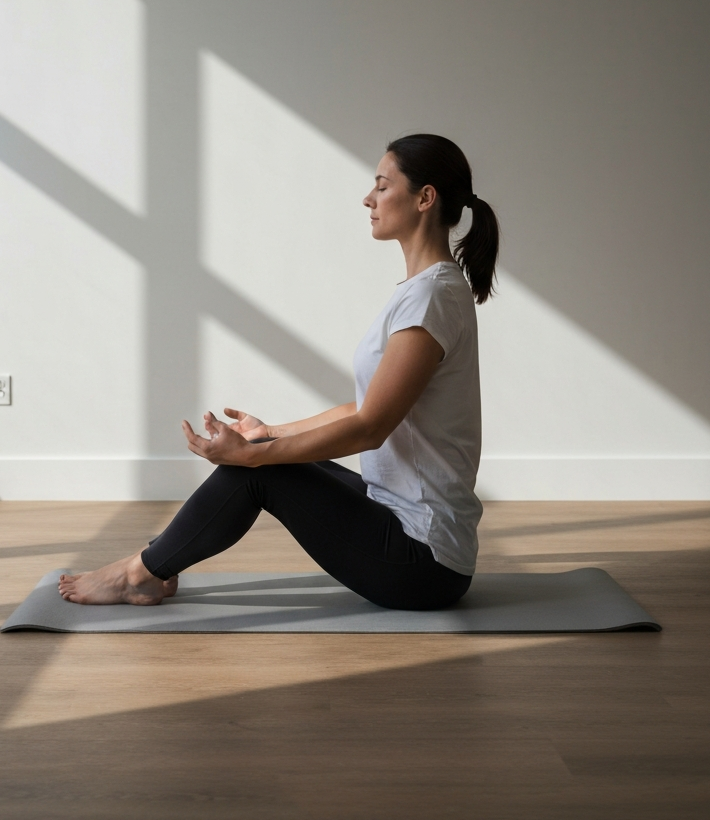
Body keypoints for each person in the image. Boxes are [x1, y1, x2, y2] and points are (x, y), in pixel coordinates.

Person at [58, 133, 500, 610]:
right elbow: (365, 407)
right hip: (412, 530)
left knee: (257, 472)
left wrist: (254, 457)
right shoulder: (427, 290)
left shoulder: (431, 296)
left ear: (425, 198)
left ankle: (137, 575)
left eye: (382, 185)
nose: (368, 199)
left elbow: (370, 427)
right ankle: (153, 564)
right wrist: (269, 435)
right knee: (263, 457)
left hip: (424, 563)